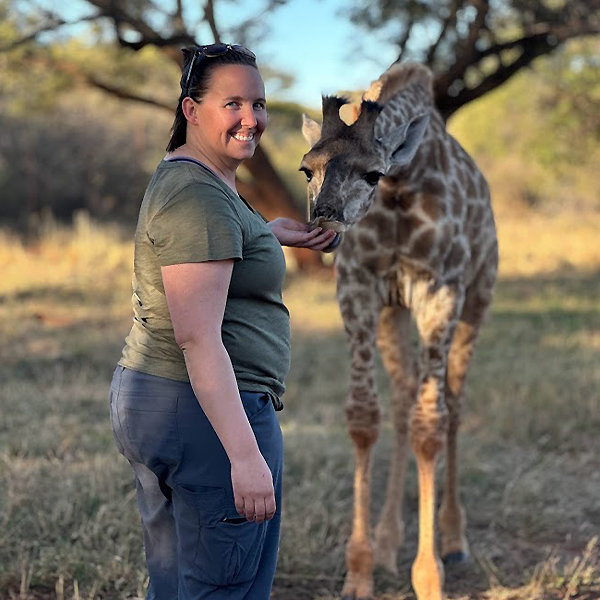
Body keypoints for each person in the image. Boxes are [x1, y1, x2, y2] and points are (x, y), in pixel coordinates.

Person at [108, 44, 335, 600]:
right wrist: (244, 456)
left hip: (163, 401)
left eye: (258, 103)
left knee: (178, 578)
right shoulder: (199, 197)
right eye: (231, 102)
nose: (250, 118)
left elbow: (207, 245)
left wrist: (265, 233)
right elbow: (197, 336)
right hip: (203, 413)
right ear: (190, 109)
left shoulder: (197, 179)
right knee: (223, 586)